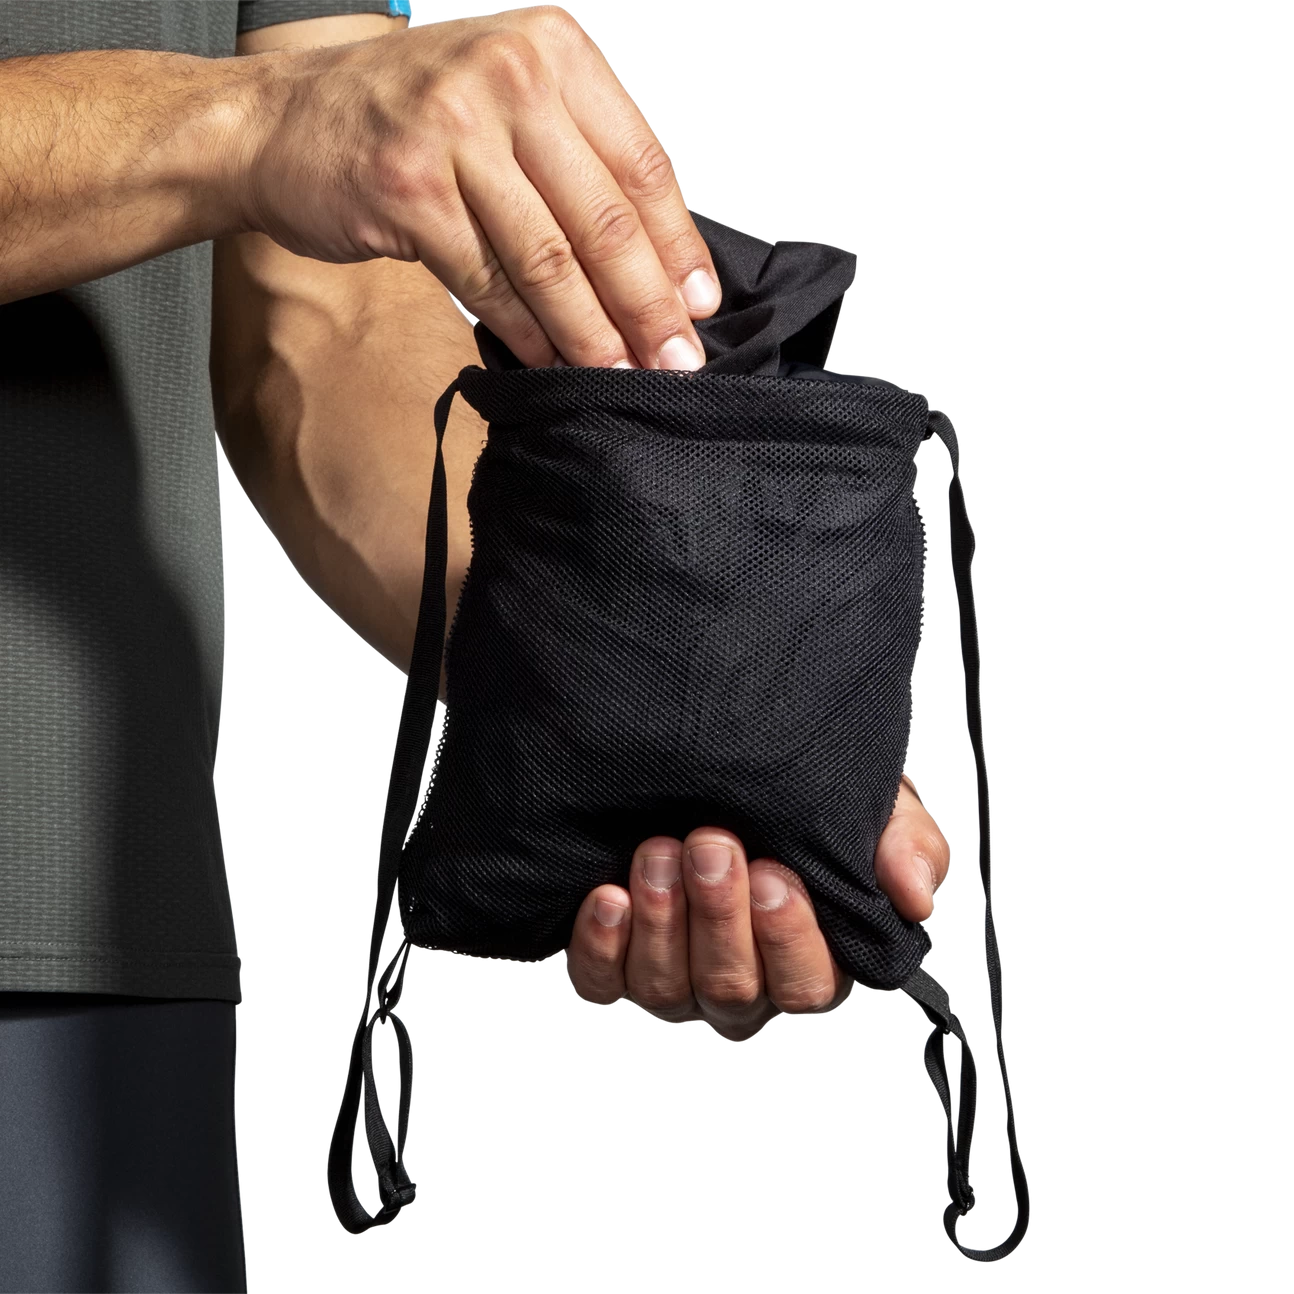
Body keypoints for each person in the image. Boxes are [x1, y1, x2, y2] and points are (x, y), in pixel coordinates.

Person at [0, 4, 953, 1289]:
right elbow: (279, 140)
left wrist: (647, 682)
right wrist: (243, 123)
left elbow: (322, 321)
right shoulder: (251, 123)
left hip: (99, 934)